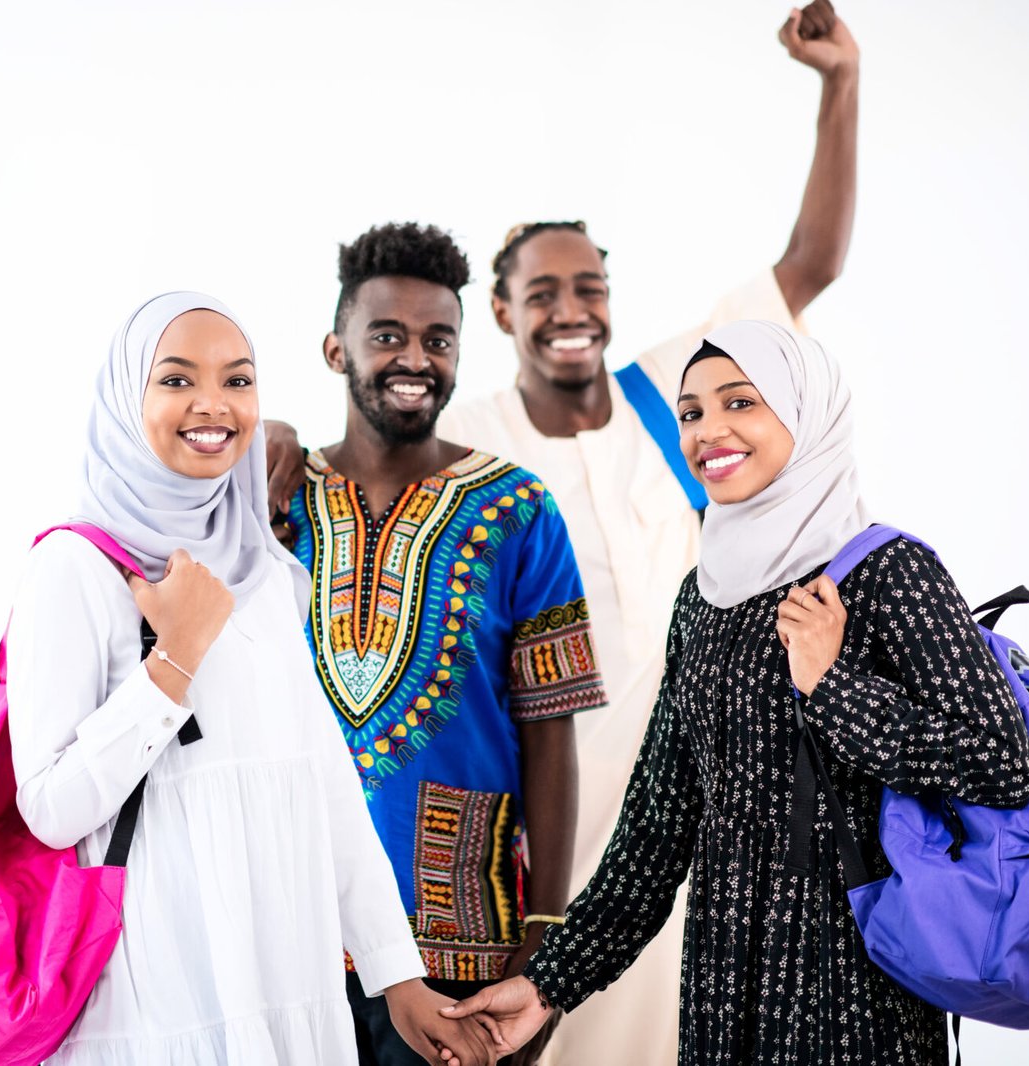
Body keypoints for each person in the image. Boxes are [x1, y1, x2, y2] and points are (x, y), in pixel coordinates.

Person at [271, 6, 863, 1060]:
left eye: (588, 285)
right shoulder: (476, 439)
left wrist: (839, 82)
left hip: (686, 801)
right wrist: (267, 435)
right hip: (540, 820)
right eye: (540, 291)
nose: (569, 308)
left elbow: (807, 263)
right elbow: (369, 426)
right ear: (499, 316)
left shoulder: (674, 405)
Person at [439, 320, 1029, 1065]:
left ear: (805, 411)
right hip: (725, 997)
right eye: (689, 413)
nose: (707, 430)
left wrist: (833, 688)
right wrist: (547, 986)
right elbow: (655, 839)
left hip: (858, 998)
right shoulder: (703, 598)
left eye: (739, 403)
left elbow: (1002, 762)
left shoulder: (889, 573)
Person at [6, 291, 497, 1066]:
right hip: (156, 1003)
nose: (213, 404)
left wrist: (395, 976)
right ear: (126, 398)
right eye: (175, 380)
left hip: (287, 994)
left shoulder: (269, 576)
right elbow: (51, 808)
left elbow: (322, 783)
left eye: (238, 380)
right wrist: (174, 658)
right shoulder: (72, 570)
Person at [281, 223, 607, 1066]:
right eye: (386, 335)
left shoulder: (520, 509)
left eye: (438, 339)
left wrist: (547, 942)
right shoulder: (274, 507)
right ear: (334, 347)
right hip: (290, 940)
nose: (413, 358)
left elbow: (550, 732)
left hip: (466, 943)